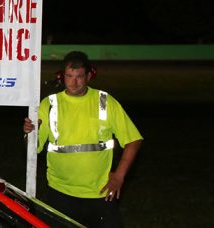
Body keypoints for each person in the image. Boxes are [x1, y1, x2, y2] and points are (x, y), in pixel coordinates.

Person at [24, 51, 143, 227]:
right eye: (69, 76)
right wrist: (29, 133)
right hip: (60, 192)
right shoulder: (49, 104)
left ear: (88, 76)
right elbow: (34, 148)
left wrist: (119, 176)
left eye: (79, 76)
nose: (74, 82)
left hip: (99, 193)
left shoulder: (106, 101)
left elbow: (134, 140)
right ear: (62, 76)